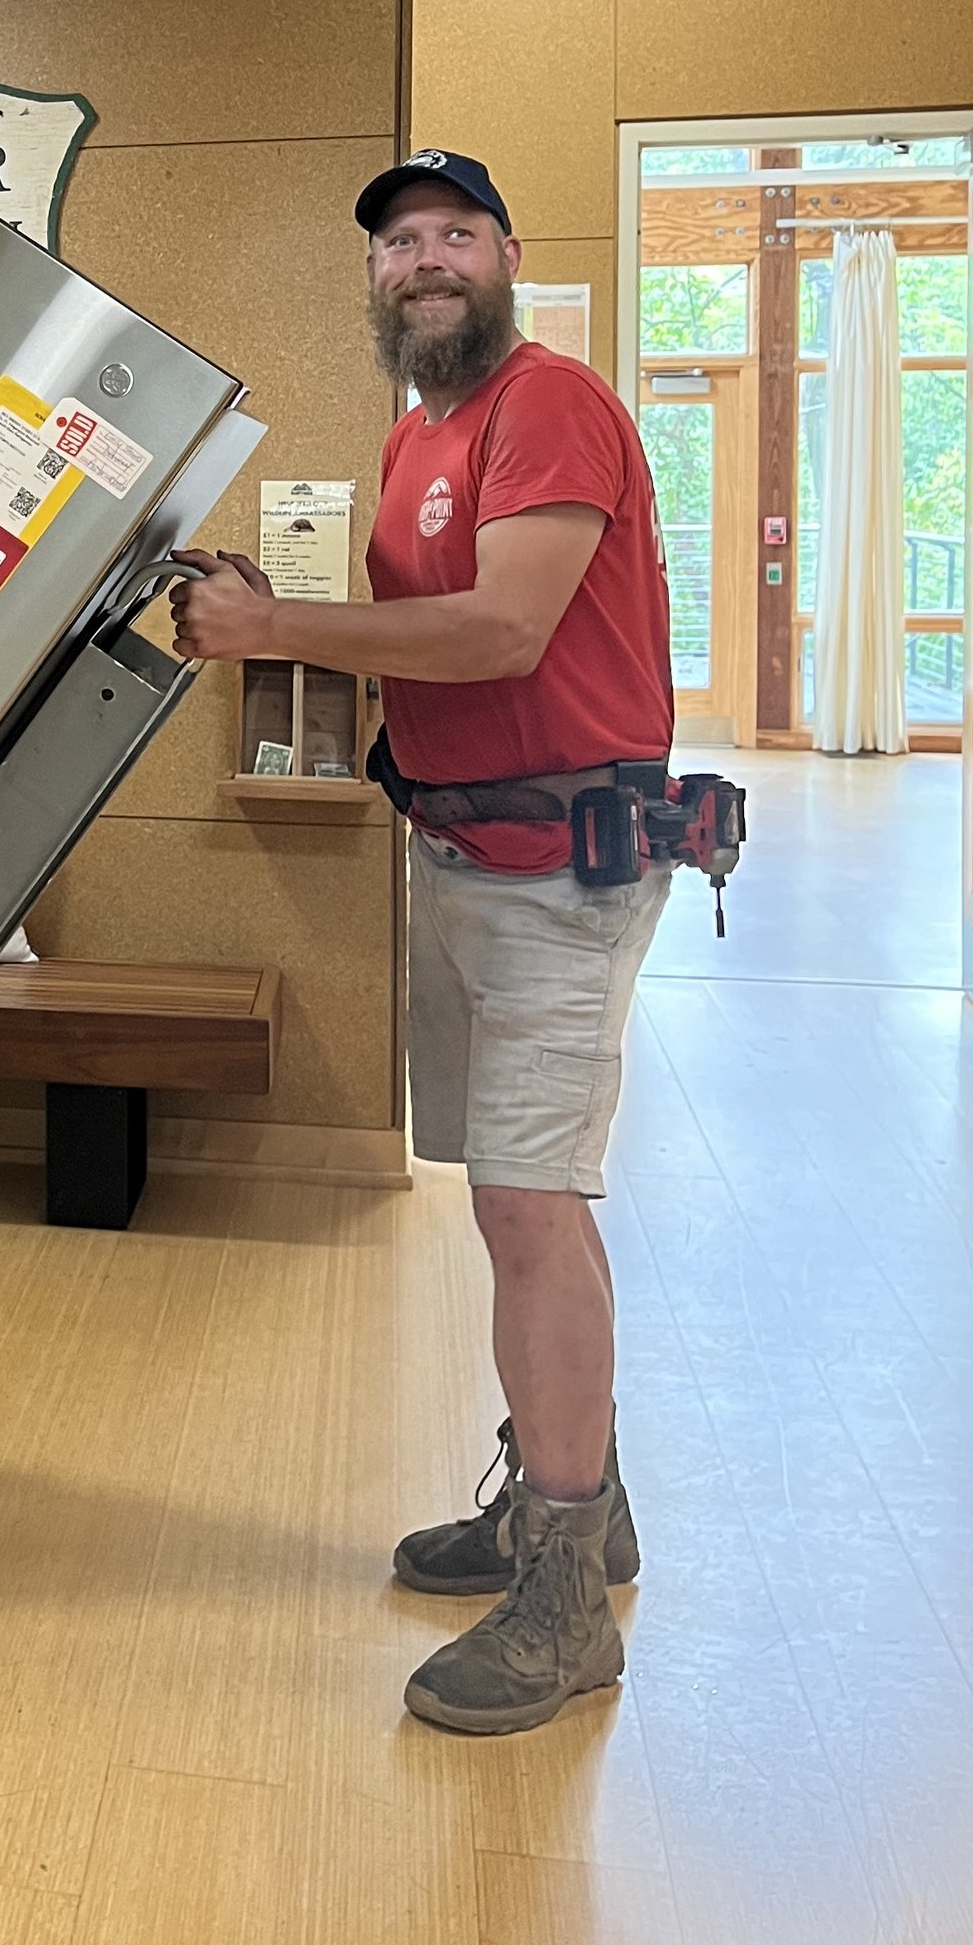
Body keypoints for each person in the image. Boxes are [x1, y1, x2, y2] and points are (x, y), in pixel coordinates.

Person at [172, 149, 674, 1737]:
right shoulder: (418, 432)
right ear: (378, 280)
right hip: (463, 855)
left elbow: (504, 627)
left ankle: (566, 1605)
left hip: (561, 870)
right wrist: (269, 601)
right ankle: (570, 1501)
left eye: (454, 234)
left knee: (533, 1210)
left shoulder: (550, 403)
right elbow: (419, 638)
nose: (425, 259)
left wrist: (277, 634)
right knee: (511, 1206)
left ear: (506, 256)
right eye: (399, 242)